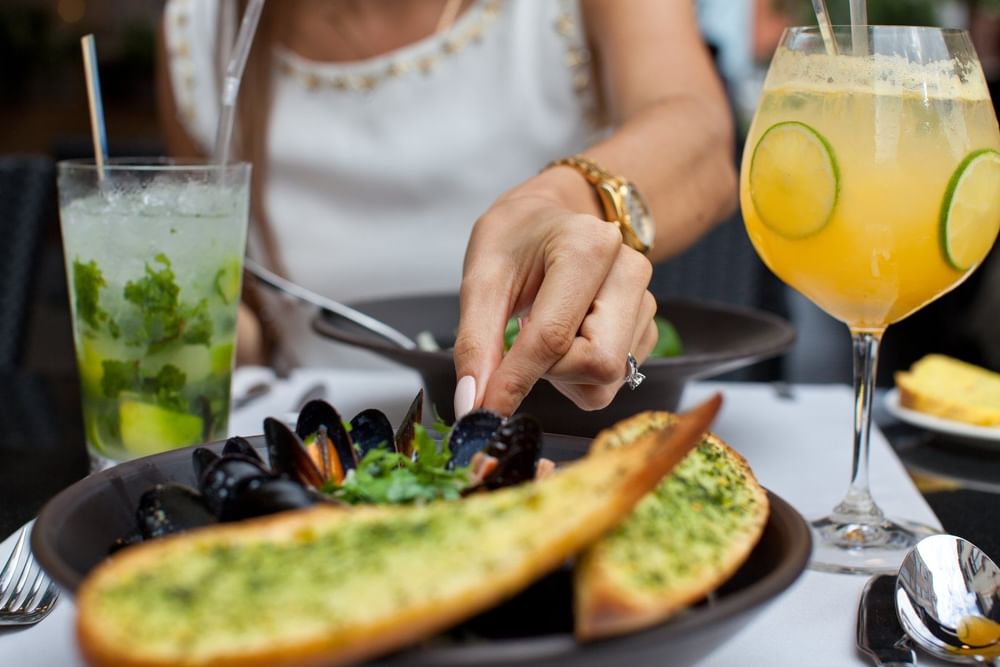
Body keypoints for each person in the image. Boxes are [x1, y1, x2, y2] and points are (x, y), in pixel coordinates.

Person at [156, 0, 737, 418]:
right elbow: (241, 304)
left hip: (558, 428)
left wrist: (556, 201)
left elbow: (703, 140)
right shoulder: (196, 29)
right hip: (312, 441)